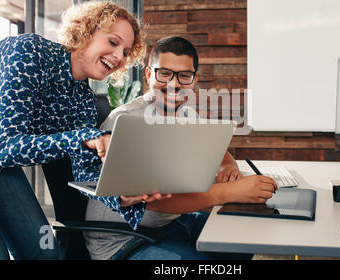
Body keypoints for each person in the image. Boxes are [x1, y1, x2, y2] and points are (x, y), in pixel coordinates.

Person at [0, 0, 168, 260]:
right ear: (86, 31)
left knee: (43, 251)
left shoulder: (83, 101)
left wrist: (121, 195)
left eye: (126, 52)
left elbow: (85, 172)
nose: (119, 56)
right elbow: (8, 148)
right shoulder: (29, 52)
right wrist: (85, 137)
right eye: (113, 42)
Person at [82, 36, 278, 260]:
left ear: (193, 81)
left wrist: (228, 167)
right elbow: (153, 200)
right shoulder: (126, 121)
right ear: (148, 75)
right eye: (164, 73)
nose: (174, 84)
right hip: (124, 240)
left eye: (184, 76)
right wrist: (229, 192)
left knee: (239, 245)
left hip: (171, 224)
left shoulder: (185, 114)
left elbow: (216, 147)